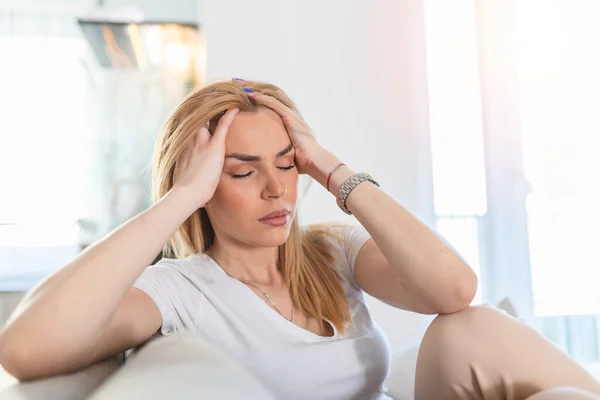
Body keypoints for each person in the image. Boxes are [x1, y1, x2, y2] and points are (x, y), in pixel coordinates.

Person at [0, 79, 599, 400]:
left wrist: (335, 172)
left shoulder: (330, 249)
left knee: (474, 327)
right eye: (240, 172)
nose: (274, 189)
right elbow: (24, 350)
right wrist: (177, 200)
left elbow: (455, 289)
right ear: (202, 182)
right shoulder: (176, 292)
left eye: (286, 164)